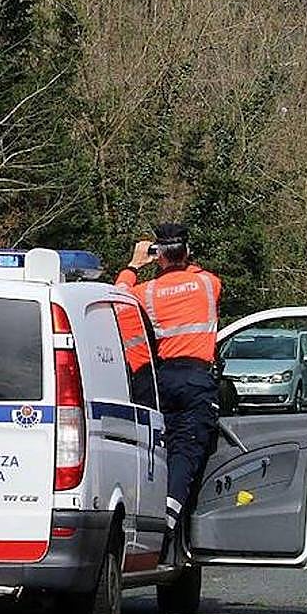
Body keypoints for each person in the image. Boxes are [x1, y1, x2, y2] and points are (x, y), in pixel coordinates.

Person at [114, 223, 222, 541]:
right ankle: (168, 526)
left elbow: (118, 297)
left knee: (162, 450)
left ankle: (156, 516)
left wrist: (134, 265)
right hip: (196, 379)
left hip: (163, 381)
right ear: (187, 252)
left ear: (158, 255)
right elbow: (200, 275)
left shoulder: (145, 293)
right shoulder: (207, 284)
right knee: (186, 452)